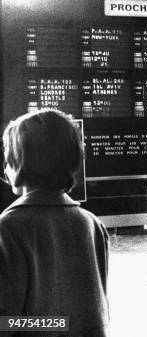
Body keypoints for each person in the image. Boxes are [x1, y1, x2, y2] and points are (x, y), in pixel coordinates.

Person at [0, 109, 109, 337]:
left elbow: (6, 321)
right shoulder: (92, 224)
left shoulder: (9, 228)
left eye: (7, 159)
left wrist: (56, 324)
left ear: (19, 164)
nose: (4, 168)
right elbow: (97, 311)